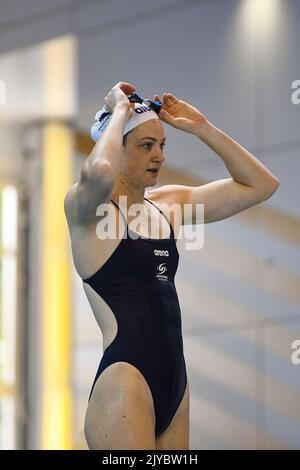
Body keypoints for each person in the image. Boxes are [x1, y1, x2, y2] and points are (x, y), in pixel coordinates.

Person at [64, 81, 280, 450]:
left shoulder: (169, 205)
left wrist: (201, 128)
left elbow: (261, 185)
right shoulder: (88, 210)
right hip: (125, 383)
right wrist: (119, 110)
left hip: (174, 384)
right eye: (146, 146)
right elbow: (99, 172)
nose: (159, 156)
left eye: (162, 145)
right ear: (116, 148)